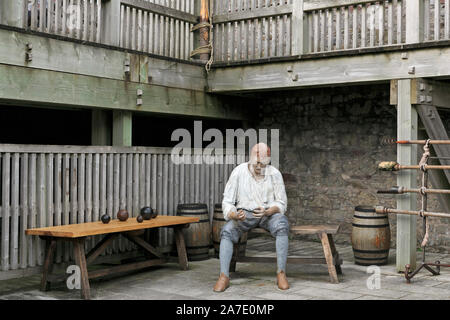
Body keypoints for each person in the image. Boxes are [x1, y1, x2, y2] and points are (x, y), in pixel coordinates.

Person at [213, 143, 289, 292]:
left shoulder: (275, 174)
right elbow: (227, 201)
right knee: (227, 231)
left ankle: (281, 273)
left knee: (282, 226)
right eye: (257, 162)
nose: (259, 166)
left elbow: (281, 203)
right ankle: (224, 276)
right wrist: (234, 214)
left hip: (268, 214)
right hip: (245, 213)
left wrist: (268, 211)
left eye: (263, 163)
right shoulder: (238, 172)